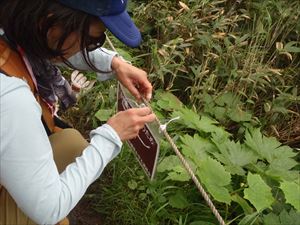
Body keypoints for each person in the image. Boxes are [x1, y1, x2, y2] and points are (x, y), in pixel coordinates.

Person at [0, 0, 156, 224]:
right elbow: (48, 209)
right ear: (50, 20)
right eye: (91, 40)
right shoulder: (12, 99)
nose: (88, 47)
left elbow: (54, 43)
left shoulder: (12, 21)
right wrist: (111, 136)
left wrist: (114, 63)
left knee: (71, 144)